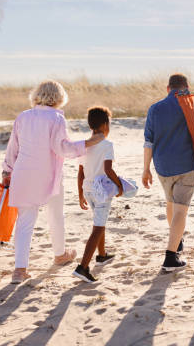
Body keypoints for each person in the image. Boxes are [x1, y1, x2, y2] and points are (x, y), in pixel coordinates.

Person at [2, 80, 104, 284]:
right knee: (56, 215)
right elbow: (62, 148)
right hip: (49, 175)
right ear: (59, 98)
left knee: (25, 221)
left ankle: (19, 270)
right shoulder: (56, 118)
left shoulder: (23, 116)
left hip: (23, 173)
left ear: (37, 95)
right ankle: (59, 254)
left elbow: (13, 147)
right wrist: (88, 143)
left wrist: (7, 171)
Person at [142, 74, 194, 272]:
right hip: (185, 165)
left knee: (170, 202)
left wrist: (145, 169)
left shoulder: (155, 109)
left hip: (162, 167)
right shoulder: (191, 106)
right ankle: (171, 257)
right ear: (186, 87)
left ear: (168, 88)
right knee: (180, 209)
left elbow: (148, 141)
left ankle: (177, 240)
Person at [72, 106, 122, 282]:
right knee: (98, 227)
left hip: (88, 189)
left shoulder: (84, 145)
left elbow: (80, 172)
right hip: (101, 191)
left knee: (99, 221)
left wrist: (80, 194)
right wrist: (119, 185)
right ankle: (83, 267)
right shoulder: (107, 145)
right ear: (105, 124)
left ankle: (102, 255)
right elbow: (108, 169)